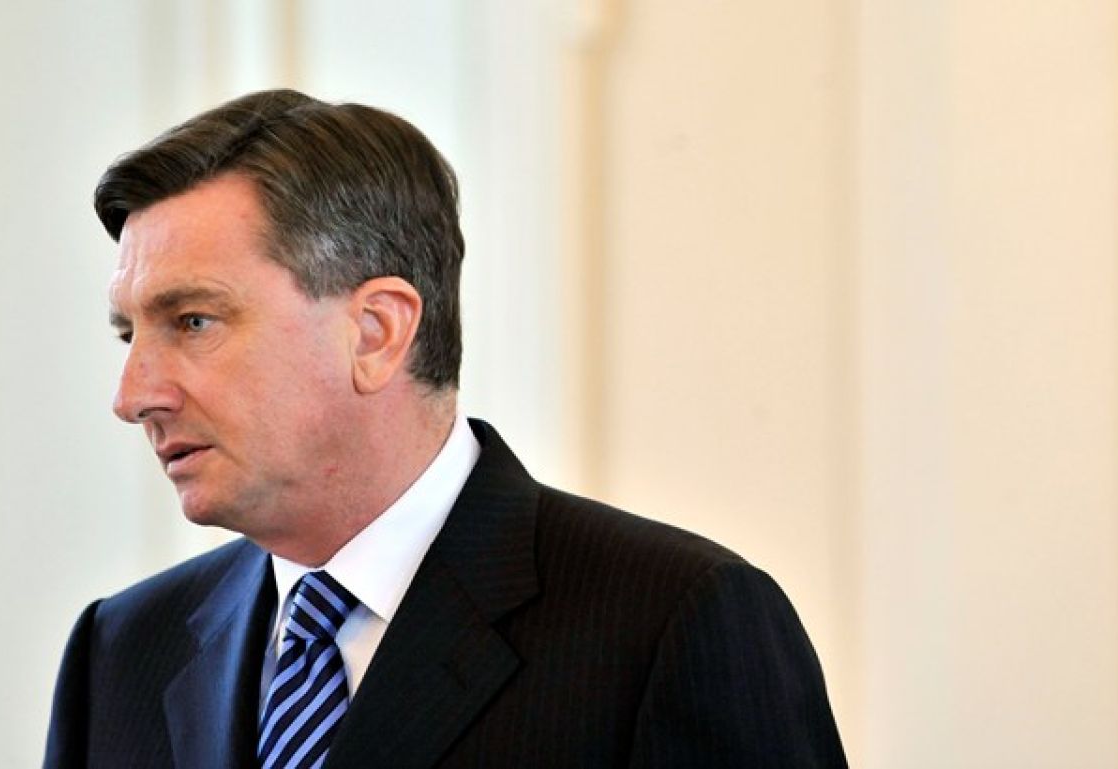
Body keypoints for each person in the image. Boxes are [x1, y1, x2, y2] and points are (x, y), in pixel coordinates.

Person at [44, 88, 848, 769]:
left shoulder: (674, 621)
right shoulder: (121, 650)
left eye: (192, 320)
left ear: (376, 332)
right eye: (128, 334)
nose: (133, 394)